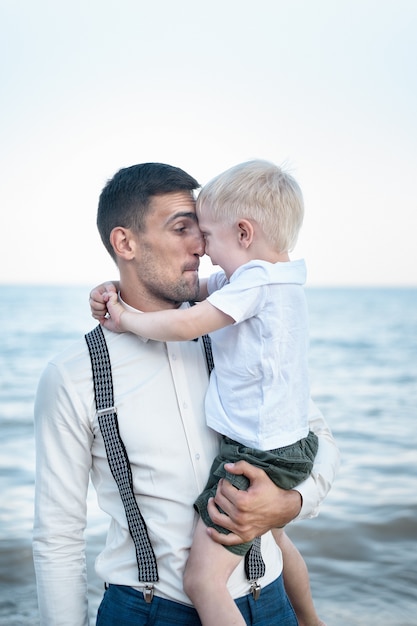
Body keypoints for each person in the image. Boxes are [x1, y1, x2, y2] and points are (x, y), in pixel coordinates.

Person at [33, 162, 340, 626]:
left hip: (272, 602)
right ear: (125, 243)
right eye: (182, 229)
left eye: (201, 229)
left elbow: (315, 437)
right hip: (146, 612)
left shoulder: (238, 329)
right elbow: (58, 537)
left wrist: (291, 504)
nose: (201, 245)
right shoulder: (72, 376)